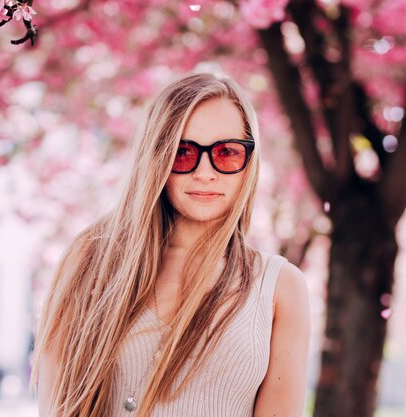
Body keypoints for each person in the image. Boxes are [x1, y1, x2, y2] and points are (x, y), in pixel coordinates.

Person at [30, 72, 311, 417]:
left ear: (248, 163)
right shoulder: (90, 261)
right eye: (183, 152)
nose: (205, 172)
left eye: (226, 153)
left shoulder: (280, 288)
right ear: (156, 156)